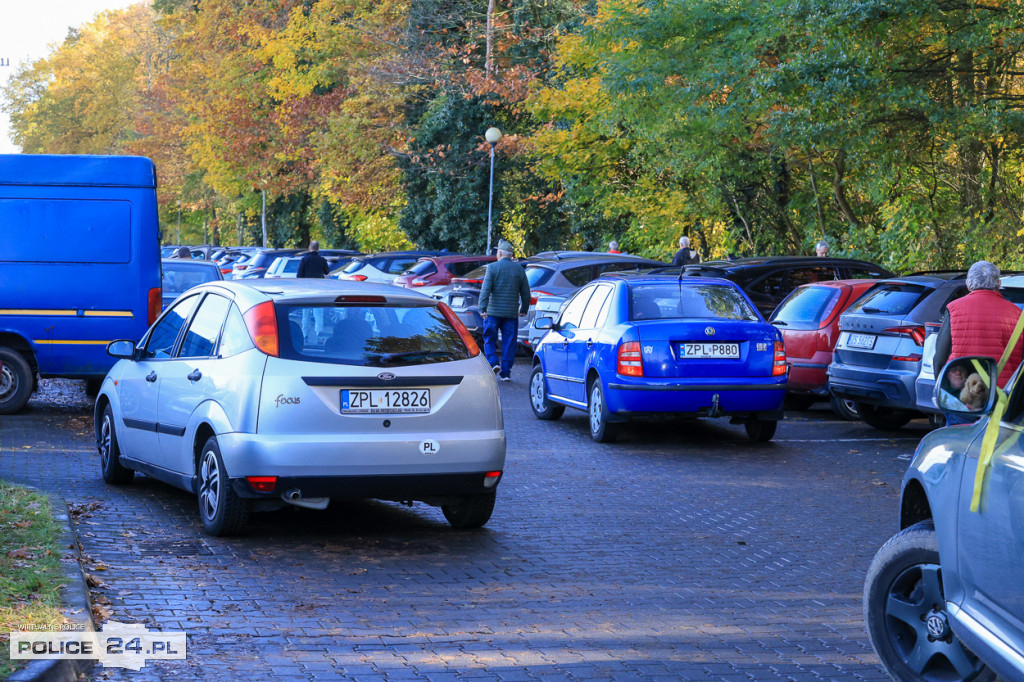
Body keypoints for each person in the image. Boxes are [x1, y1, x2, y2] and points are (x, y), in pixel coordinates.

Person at [934, 260, 1024, 423]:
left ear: (968, 284)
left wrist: (942, 390)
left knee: (958, 443)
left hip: (963, 398)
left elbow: (939, 358)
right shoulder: (1018, 313)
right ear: (998, 284)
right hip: (1003, 399)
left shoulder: (954, 309)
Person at [478, 239, 531, 382]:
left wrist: (482, 308)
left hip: (493, 312)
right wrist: (524, 308)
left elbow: (485, 290)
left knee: (489, 338)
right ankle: (506, 372)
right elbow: (526, 292)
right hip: (511, 314)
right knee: (509, 342)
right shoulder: (519, 270)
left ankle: (494, 362)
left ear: (500, 253)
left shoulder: (492, 268)